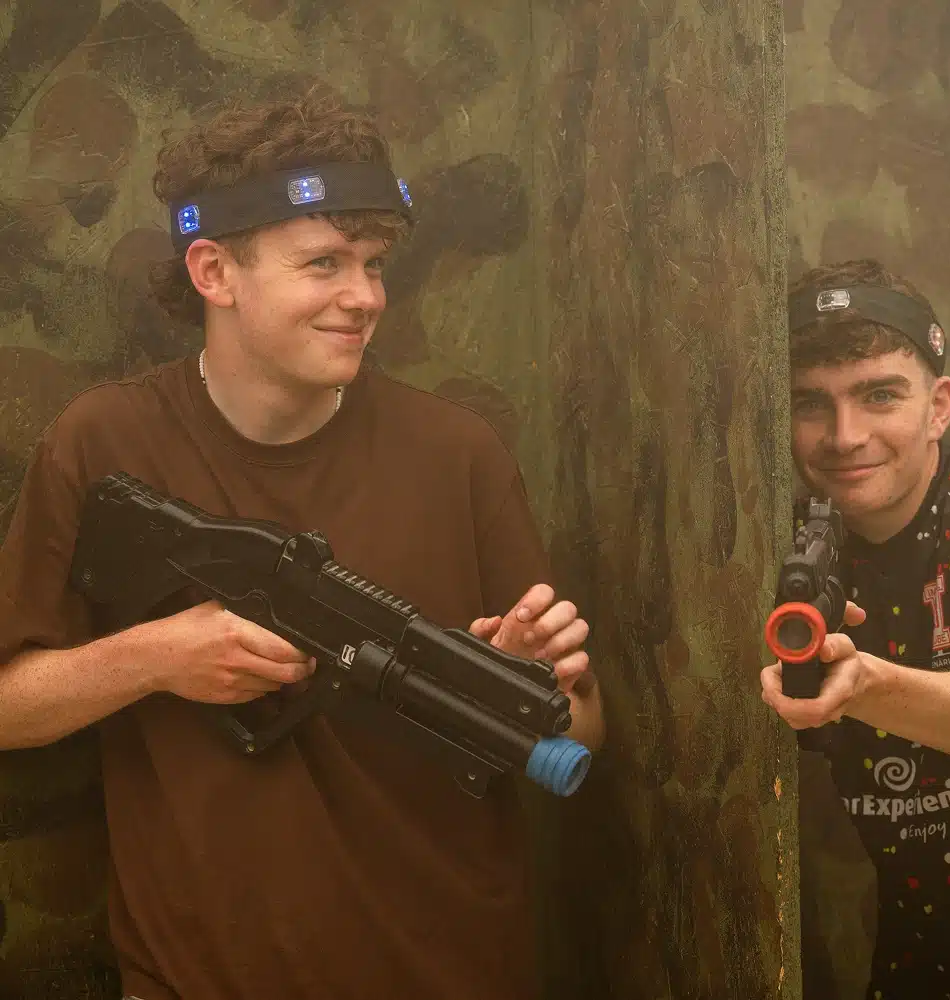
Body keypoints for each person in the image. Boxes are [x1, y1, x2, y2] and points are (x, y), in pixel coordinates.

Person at [0, 89, 605, 1000]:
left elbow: (584, 739)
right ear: (213, 271)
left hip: (451, 968)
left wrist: (537, 685)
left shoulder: (457, 453)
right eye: (323, 263)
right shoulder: (102, 445)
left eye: (373, 262)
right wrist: (157, 657)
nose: (363, 297)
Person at [761, 258, 950, 999]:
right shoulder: (775, 530)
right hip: (905, 946)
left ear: (938, 406)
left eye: (879, 396)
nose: (844, 436)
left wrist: (862, 685)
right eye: (810, 404)